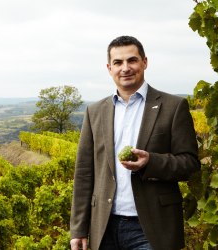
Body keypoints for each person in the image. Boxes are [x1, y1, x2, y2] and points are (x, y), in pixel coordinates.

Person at [69, 36, 200, 250]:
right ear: (109, 68)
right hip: (104, 227)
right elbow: (84, 173)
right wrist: (78, 229)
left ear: (144, 62)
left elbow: (190, 164)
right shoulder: (95, 112)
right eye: (118, 63)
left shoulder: (173, 107)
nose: (125, 68)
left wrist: (151, 162)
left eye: (132, 60)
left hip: (151, 227)